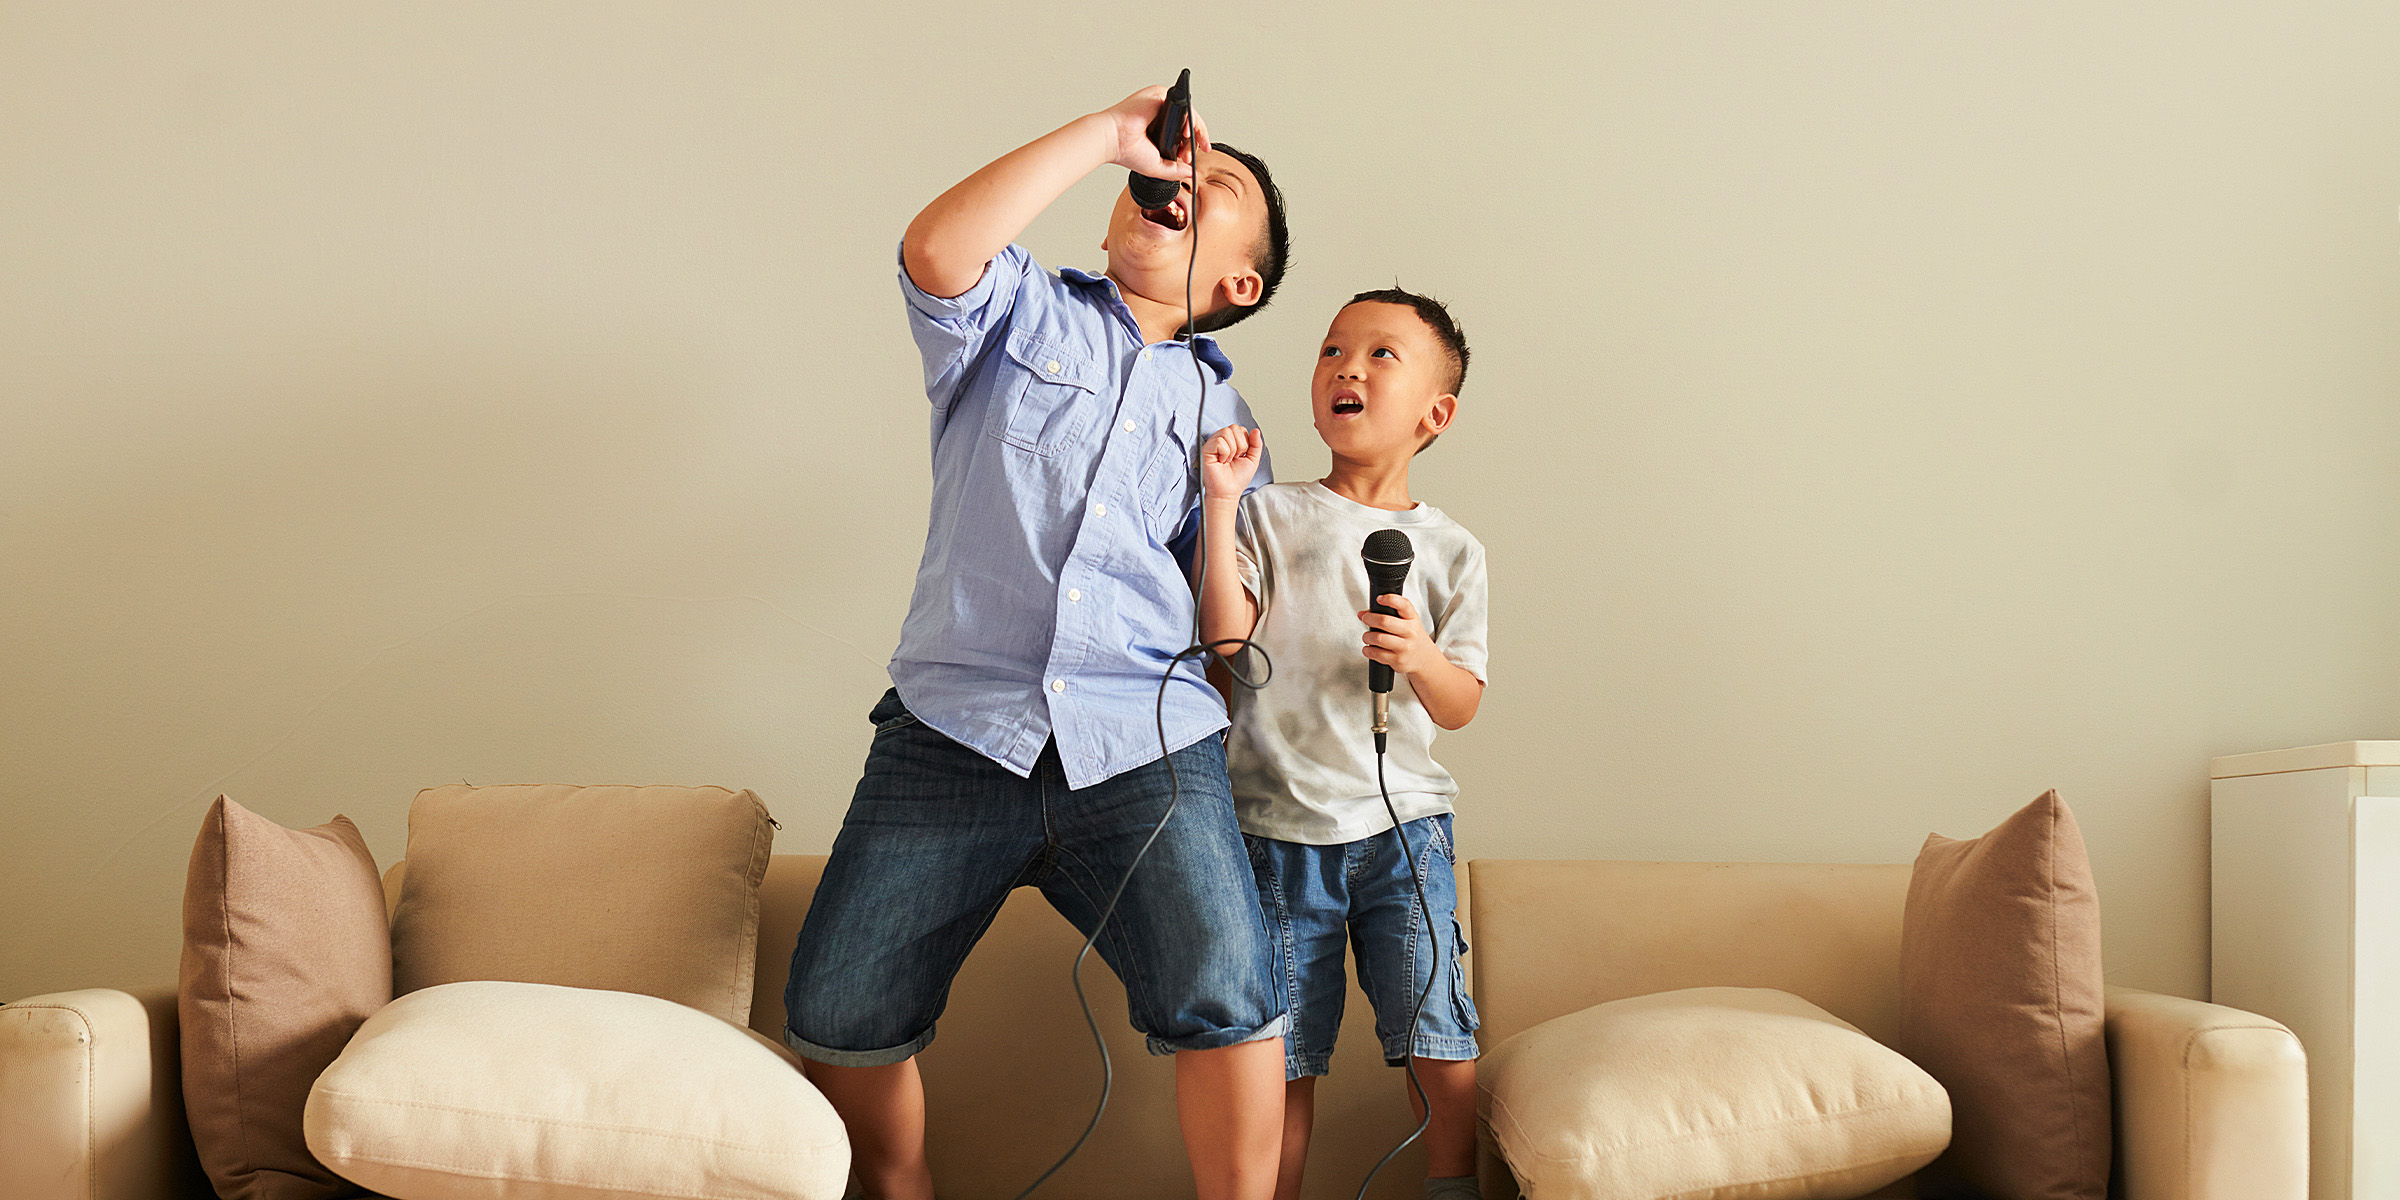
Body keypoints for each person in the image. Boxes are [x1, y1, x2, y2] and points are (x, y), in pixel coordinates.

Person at [780, 84, 1295, 1200]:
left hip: (1145, 747)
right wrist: (1108, 136)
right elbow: (934, 245)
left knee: (1232, 991)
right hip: (955, 728)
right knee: (837, 1006)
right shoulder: (1016, 312)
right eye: (1158, 173)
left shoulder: (1225, 421)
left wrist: (1224, 505)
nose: (1176, 183)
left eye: (1221, 188)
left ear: (1237, 284)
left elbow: (1226, 636)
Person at [1197, 288, 1489, 1200]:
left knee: (1435, 1025)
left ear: (1435, 414)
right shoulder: (1269, 514)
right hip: (1275, 833)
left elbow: (1461, 704)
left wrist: (1421, 656)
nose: (1346, 368)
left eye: (1380, 355)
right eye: (1331, 350)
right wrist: (1216, 507)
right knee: (1283, 1051)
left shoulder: (1452, 550)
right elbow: (1224, 647)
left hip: (1405, 833)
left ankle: (1452, 1180)